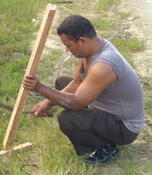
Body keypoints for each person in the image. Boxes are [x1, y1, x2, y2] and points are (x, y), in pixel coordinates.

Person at [23, 15, 144, 167]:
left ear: (82, 41)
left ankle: (106, 147)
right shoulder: (91, 50)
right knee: (62, 82)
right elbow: (76, 83)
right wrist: (48, 103)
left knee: (68, 119)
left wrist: (40, 88)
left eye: (68, 45)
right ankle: (94, 130)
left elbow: (77, 102)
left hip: (123, 127)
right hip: (106, 110)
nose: (67, 50)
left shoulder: (104, 64)